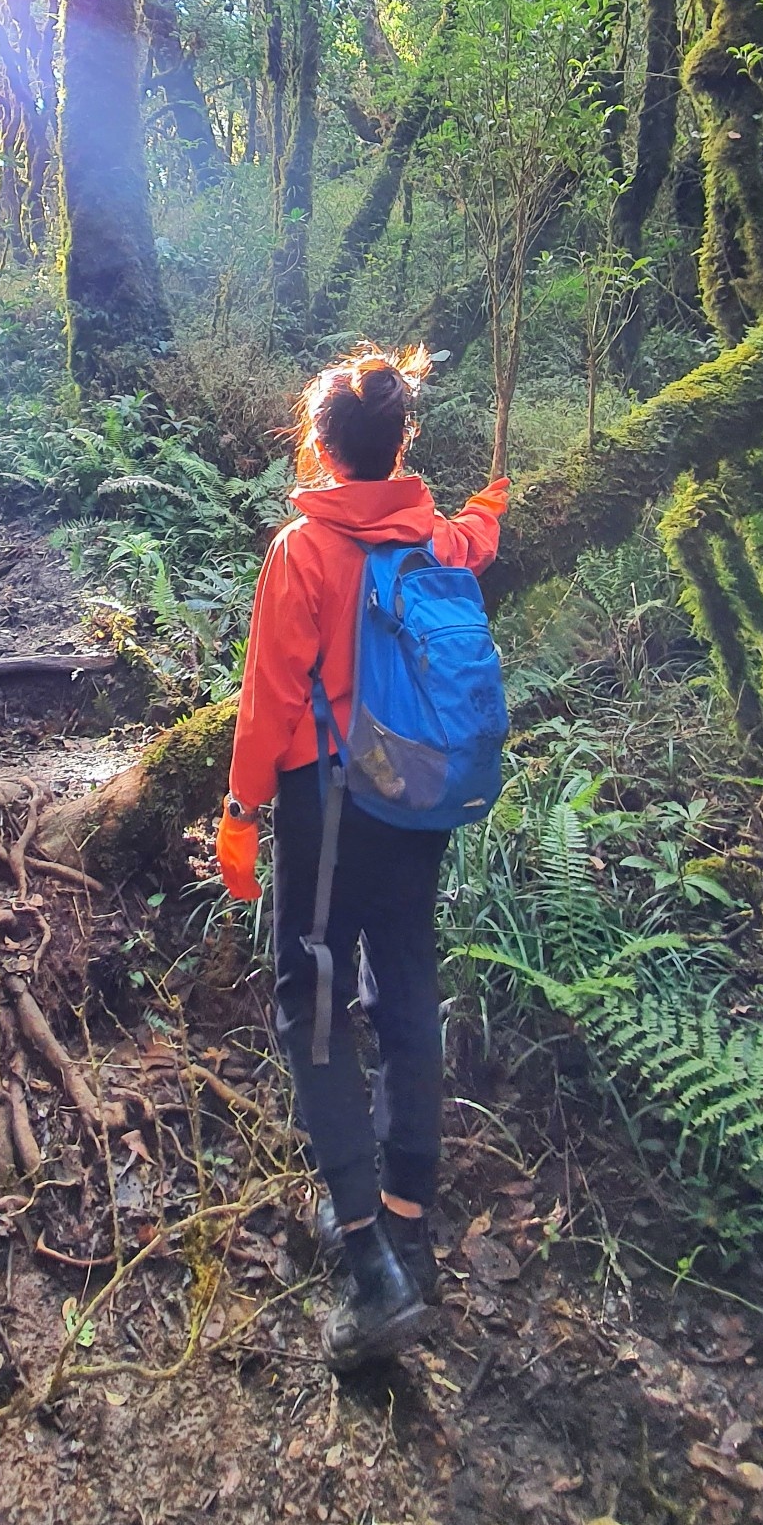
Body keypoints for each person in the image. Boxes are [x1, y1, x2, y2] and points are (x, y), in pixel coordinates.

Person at [215, 346, 508, 1369]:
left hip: (329, 806)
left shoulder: (305, 547)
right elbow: (473, 539)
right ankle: (408, 1211)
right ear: (401, 442)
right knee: (406, 984)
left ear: (325, 446)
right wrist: (494, 507)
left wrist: (241, 810)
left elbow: (270, 697)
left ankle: (367, 1258)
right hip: (417, 800)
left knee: (309, 996)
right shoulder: (434, 534)